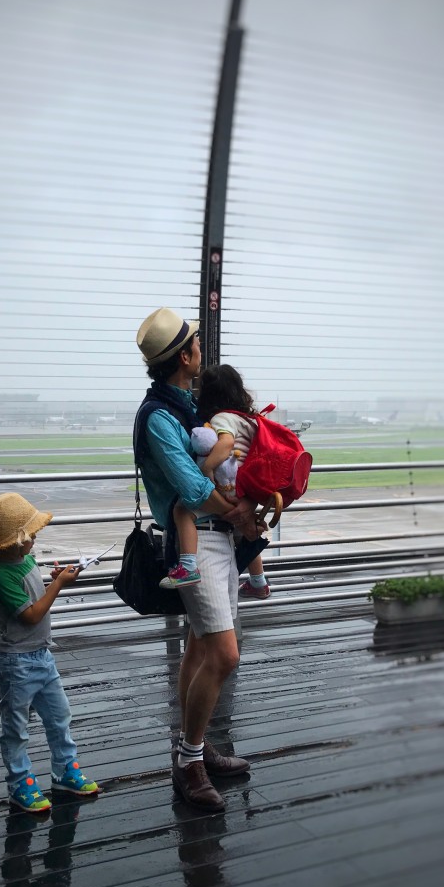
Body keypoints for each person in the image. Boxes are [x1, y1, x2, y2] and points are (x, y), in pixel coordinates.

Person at [134, 307, 265, 812]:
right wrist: (240, 514)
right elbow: (190, 487)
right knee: (225, 655)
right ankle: (189, 762)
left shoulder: (186, 406)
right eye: (194, 344)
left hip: (218, 541)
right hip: (195, 545)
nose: (200, 351)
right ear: (183, 356)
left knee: (197, 651)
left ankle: (197, 747)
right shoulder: (161, 418)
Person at [0, 491, 100, 813]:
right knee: (16, 727)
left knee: (59, 717)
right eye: (31, 534)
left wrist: (53, 580)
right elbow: (31, 615)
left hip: (42, 656)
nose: (35, 537)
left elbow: (34, 598)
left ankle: (64, 770)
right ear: (17, 540)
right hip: (16, 662)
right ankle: (20, 783)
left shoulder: (27, 560)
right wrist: (58, 588)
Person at [162, 363, 272, 600]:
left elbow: (226, 444)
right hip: (246, 489)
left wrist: (207, 468)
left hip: (228, 484)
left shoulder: (223, 418)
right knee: (245, 527)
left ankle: (188, 566)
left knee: (182, 511)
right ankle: (258, 581)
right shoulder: (250, 419)